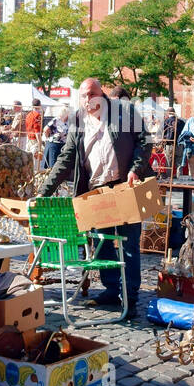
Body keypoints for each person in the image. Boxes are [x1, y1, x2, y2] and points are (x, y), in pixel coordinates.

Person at [36, 77, 152, 312]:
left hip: (125, 186)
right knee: (103, 243)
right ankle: (111, 290)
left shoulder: (124, 110)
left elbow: (145, 141)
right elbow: (66, 157)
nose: (89, 99)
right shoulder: (78, 119)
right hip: (97, 191)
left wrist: (135, 170)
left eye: (92, 93)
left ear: (102, 93)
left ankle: (129, 297)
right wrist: (44, 191)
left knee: (128, 244)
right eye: (84, 95)